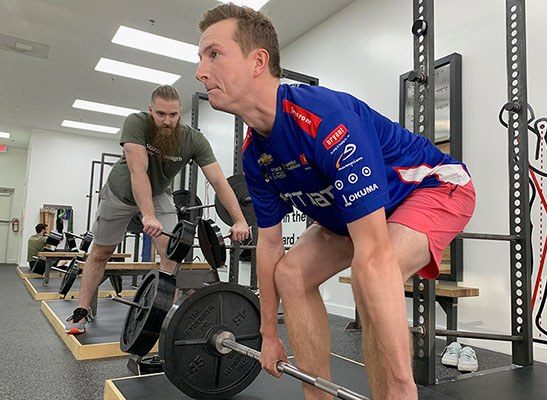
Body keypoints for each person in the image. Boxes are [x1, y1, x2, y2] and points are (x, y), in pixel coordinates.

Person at [196, 5, 476, 400]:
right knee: (291, 273)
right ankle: (318, 397)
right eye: (201, 58)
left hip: (431, 188)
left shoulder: (325, 118)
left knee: (370, 272)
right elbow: (271, 246)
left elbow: (375, 254)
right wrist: (269, 334)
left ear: (258, 61)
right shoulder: (254, 157)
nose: (201, 71)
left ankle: (396, 393)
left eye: (214, 54)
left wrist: (400, 385)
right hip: (353, 216)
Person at [65, 85, 250, 334]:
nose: (167, 121)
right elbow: (137, 170)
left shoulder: (193, 139)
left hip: (159, 194)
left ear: (180, 113)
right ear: (150, 110)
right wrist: (148, 215)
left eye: (173, 115)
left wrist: (239, 219)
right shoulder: (137, 123)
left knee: (172, 253)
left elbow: (218, 181)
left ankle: (162, 315)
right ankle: (82, 310)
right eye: (161, 114)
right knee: (101, 251)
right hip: (119, 194)